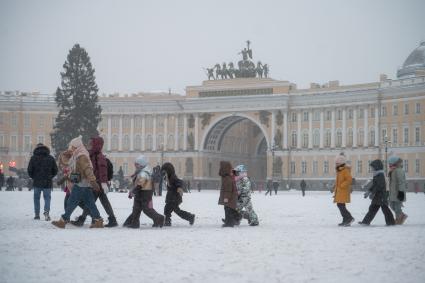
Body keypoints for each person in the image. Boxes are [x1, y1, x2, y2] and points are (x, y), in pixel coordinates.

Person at [51, 136, 104, 229]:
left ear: (76, 146)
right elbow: (75, 169)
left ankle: (63, 220)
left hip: (81, 183)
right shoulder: (78, 154)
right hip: (83, 183)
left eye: (72, 147)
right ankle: (98, 220)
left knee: (72, 201)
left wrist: (93, 181)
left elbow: (87, 169)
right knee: (90, 203)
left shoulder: (81, 156)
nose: (70, 149)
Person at [71, 136, 118, 227]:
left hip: (97, 183)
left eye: (90, 143)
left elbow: (103, 171)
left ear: (96, 145)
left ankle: (83, 219)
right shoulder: (92, 155)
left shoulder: (98, 157)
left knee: (90, 202)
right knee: (102, 202)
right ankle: (112, 220)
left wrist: (103, 183)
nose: (88, 145)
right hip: (96, 183)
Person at [123, 155, 164, 228]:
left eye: (137, 164)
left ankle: (159, 218)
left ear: (141, 164)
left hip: (145, 192)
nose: (135, 165)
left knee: (146, 209)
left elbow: (140, 184)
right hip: (141, 192)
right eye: (135, 164)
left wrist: (133, 192)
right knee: (136, 208)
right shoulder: (141, 171)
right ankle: (134, 223)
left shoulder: (144, 173)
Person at [358, 159, 395, 226]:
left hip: (382, 196)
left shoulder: (380, 175)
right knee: (372, 209)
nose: (371, 168)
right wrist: (369, 191)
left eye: (372, 167)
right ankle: (365, 222)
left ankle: (391, 222)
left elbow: (379, 186)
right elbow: (374, 185)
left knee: (385, 209)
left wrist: (372, 193)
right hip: (378, 195)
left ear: (376, 167)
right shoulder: (377, 175)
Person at [27, 143, 58, 221]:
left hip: (37, 182)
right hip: (47, 182)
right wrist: (50, 177)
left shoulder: (33, 158)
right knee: (47, 198)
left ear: (36, 149)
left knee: (36, 198)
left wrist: (34, 177)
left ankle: (37, 215)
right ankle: (46, 212)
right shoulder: (51, 158)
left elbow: (29, 170)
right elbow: (55, 170)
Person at [161, 162, 195, 226]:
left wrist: (179, 187)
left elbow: (179, 182)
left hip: (174, 198)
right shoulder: (168, 176)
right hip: (171, 197)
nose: (164, 173)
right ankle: (189, 217)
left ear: (168, 171)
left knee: (171, 210)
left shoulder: (173, 176)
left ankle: (190, 217)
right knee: (171, 210)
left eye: (164, 171)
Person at [333, 153, 354, 226]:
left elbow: (349, 179)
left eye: (337, 163)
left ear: (341, 163)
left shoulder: (344, 170)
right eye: (336, 163)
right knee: (341, 205)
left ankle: (349, 218)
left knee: (340, 205)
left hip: (343, 191)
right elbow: (338, 181)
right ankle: (345, 220)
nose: (336, 164)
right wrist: (335, 187)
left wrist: (342, 186)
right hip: (339, 191)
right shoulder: (339, 170)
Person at [388, 156, 408, 225]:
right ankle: (402, 216)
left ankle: (398, 220)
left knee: (397, 207)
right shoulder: (393, 170)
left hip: (398, 192)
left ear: (394, 163)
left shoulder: (399, 170)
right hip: (393, 192)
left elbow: (401, 182)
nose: (389, 165)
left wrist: (401, 192)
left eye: (390, 163)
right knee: (391, 205)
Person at [218, 161, 238, 227]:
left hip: (230, 198)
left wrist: (226, 197)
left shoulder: (227, 178)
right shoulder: (227, 177)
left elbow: (228, 189)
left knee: (228, 210)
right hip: (230, 197)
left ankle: (229, 223)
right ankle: (230, 220)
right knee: (228, 209)